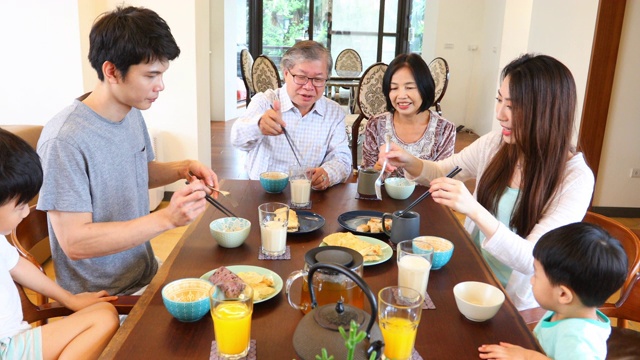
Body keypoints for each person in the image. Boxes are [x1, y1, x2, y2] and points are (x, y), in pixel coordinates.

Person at [379, 54, 595, 310]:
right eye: (499, 100)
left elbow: (532, 259)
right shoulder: (495, 144)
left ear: (547, 111)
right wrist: (407, 160)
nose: (500, 114)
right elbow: (441, 171)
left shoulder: (575, 178)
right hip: (470, 273)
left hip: (516, 304)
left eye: (513, 106)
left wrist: (472, 208)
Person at [36, 6, 218, 296]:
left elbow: (138, 173)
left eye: (162, 74)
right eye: (151, 75)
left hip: (145, 271)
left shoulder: (131, 112)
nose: (161, 86)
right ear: (111, 71)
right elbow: (75, 242)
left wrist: (183, 167)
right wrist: (167, 218)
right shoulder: (64, 140)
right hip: (104, 297)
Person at [0, 128, 120, 360]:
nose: (26, 212)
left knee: (103, 313)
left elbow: (17, 264)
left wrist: (69, 298)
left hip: (14, 340)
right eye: (20, 206)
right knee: (103, 318)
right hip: (7, 349)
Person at [479, 222, 628, 359]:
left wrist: (527, 357)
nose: (532, 280)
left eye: (536, 274)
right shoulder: (567, 310)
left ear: (563, 294)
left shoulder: (577, 340)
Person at [231, 40, 352, 190]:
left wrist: (327, 173)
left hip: (310, 195)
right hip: (262, 192)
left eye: (318, 79)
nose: (308, 87)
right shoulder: (265, 102)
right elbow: (237, 139)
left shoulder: (333, 112)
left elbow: (343, 158)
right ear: (286, 73)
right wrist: (259, 125)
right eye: (301, 77)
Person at [361, 53, 456, 177]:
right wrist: (378, 170)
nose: (401, 96)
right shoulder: (376, 124)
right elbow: (367, 175)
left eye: (410, 87)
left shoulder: (445, 129)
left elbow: (445, 177)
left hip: (428, 196)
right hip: (384, 196)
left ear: (425, 88)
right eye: (394, 88)